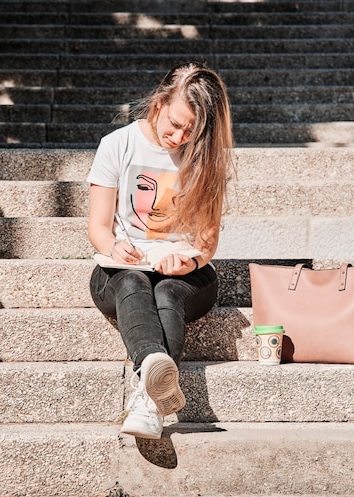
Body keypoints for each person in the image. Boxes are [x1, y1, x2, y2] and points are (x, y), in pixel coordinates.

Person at [87, 62, 233, 439]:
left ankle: (147, 399)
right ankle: (155, 374)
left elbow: (207, 242)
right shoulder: (117, 144)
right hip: (121, 272)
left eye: (191, 130)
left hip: (187, 275)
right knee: (134, 281)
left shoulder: (204, 156)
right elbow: (98, 228)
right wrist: (115, 246)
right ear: (158, 103)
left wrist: (188, 261)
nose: (180, 136)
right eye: (175, 123)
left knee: (167, 290)